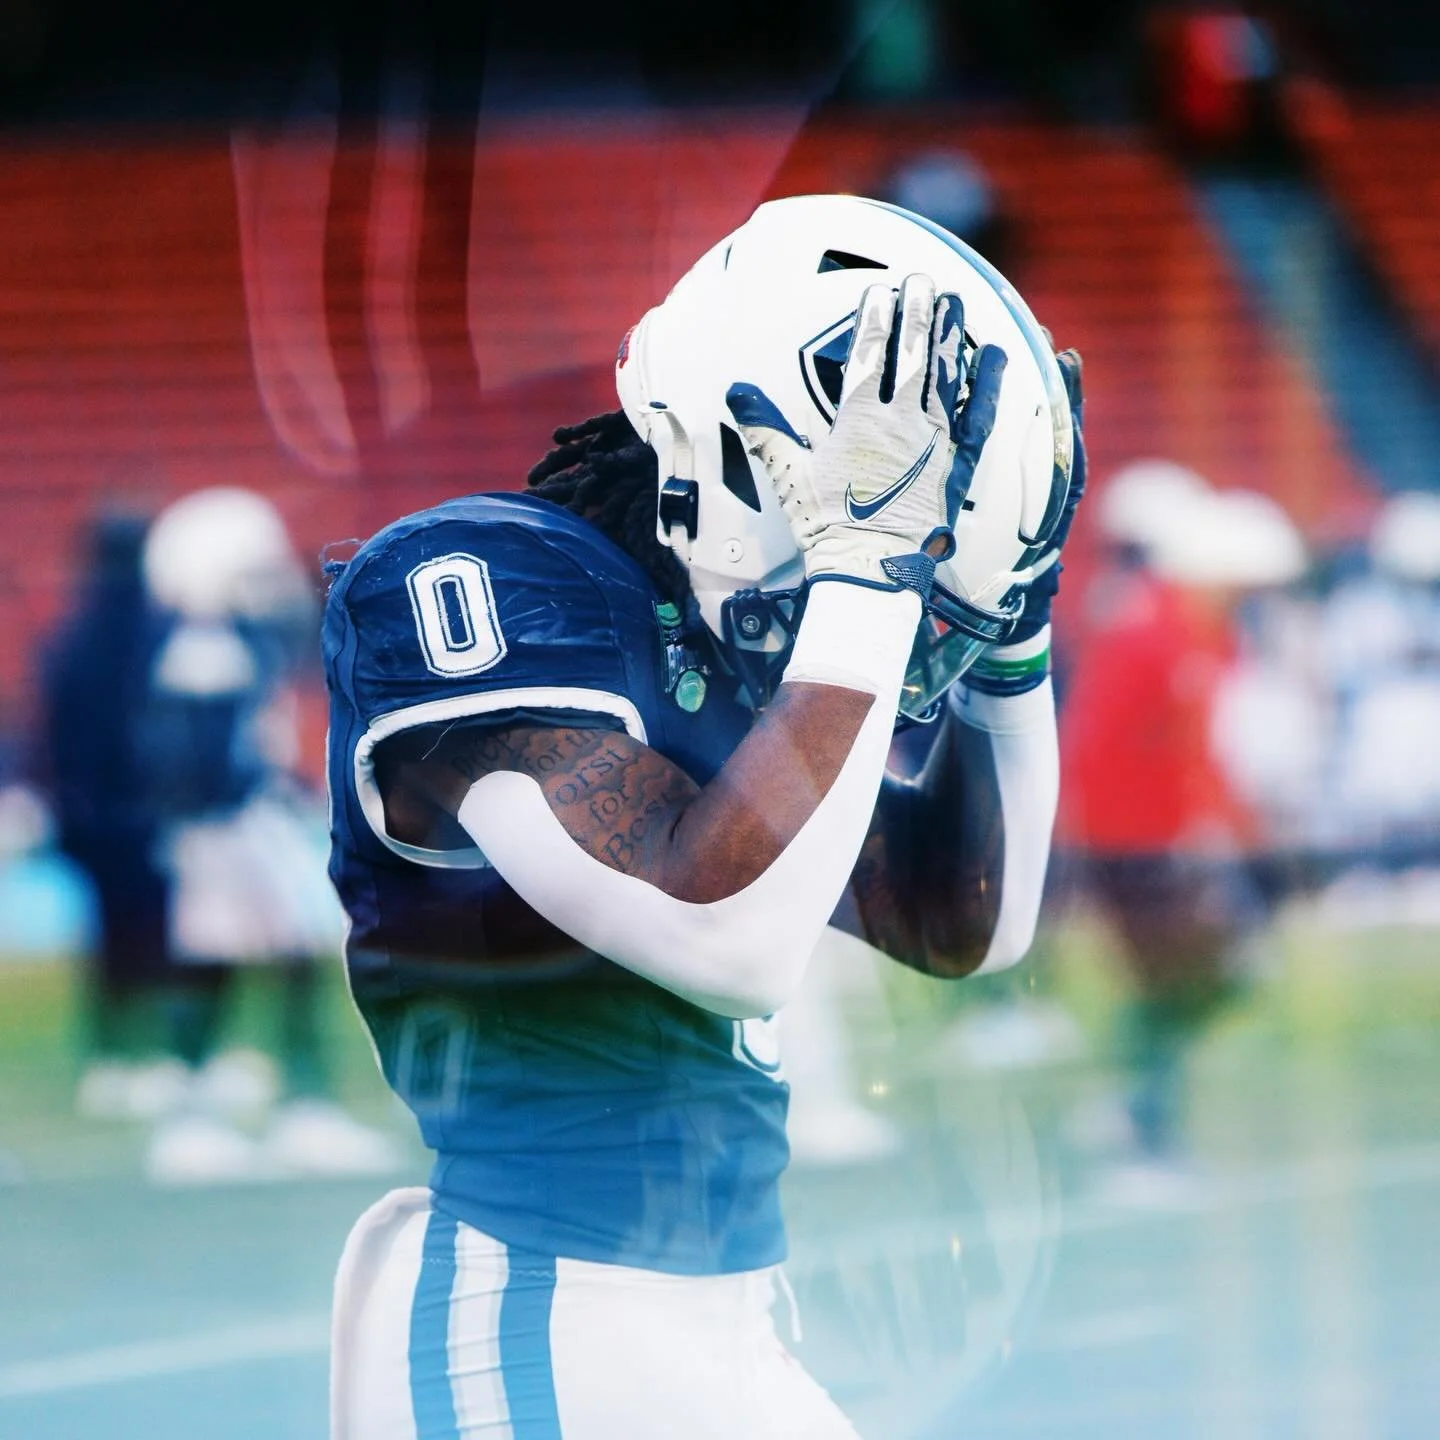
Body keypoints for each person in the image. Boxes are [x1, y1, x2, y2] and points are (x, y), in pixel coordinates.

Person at [323, 194, 1084, 1437]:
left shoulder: (723, 654)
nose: (910, 645)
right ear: (745, 457)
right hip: (548, 1311)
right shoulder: (486, 579)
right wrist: (863, 571)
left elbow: (968, 922)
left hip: (728, 1322)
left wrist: (1018, 637)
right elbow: (729, 941)